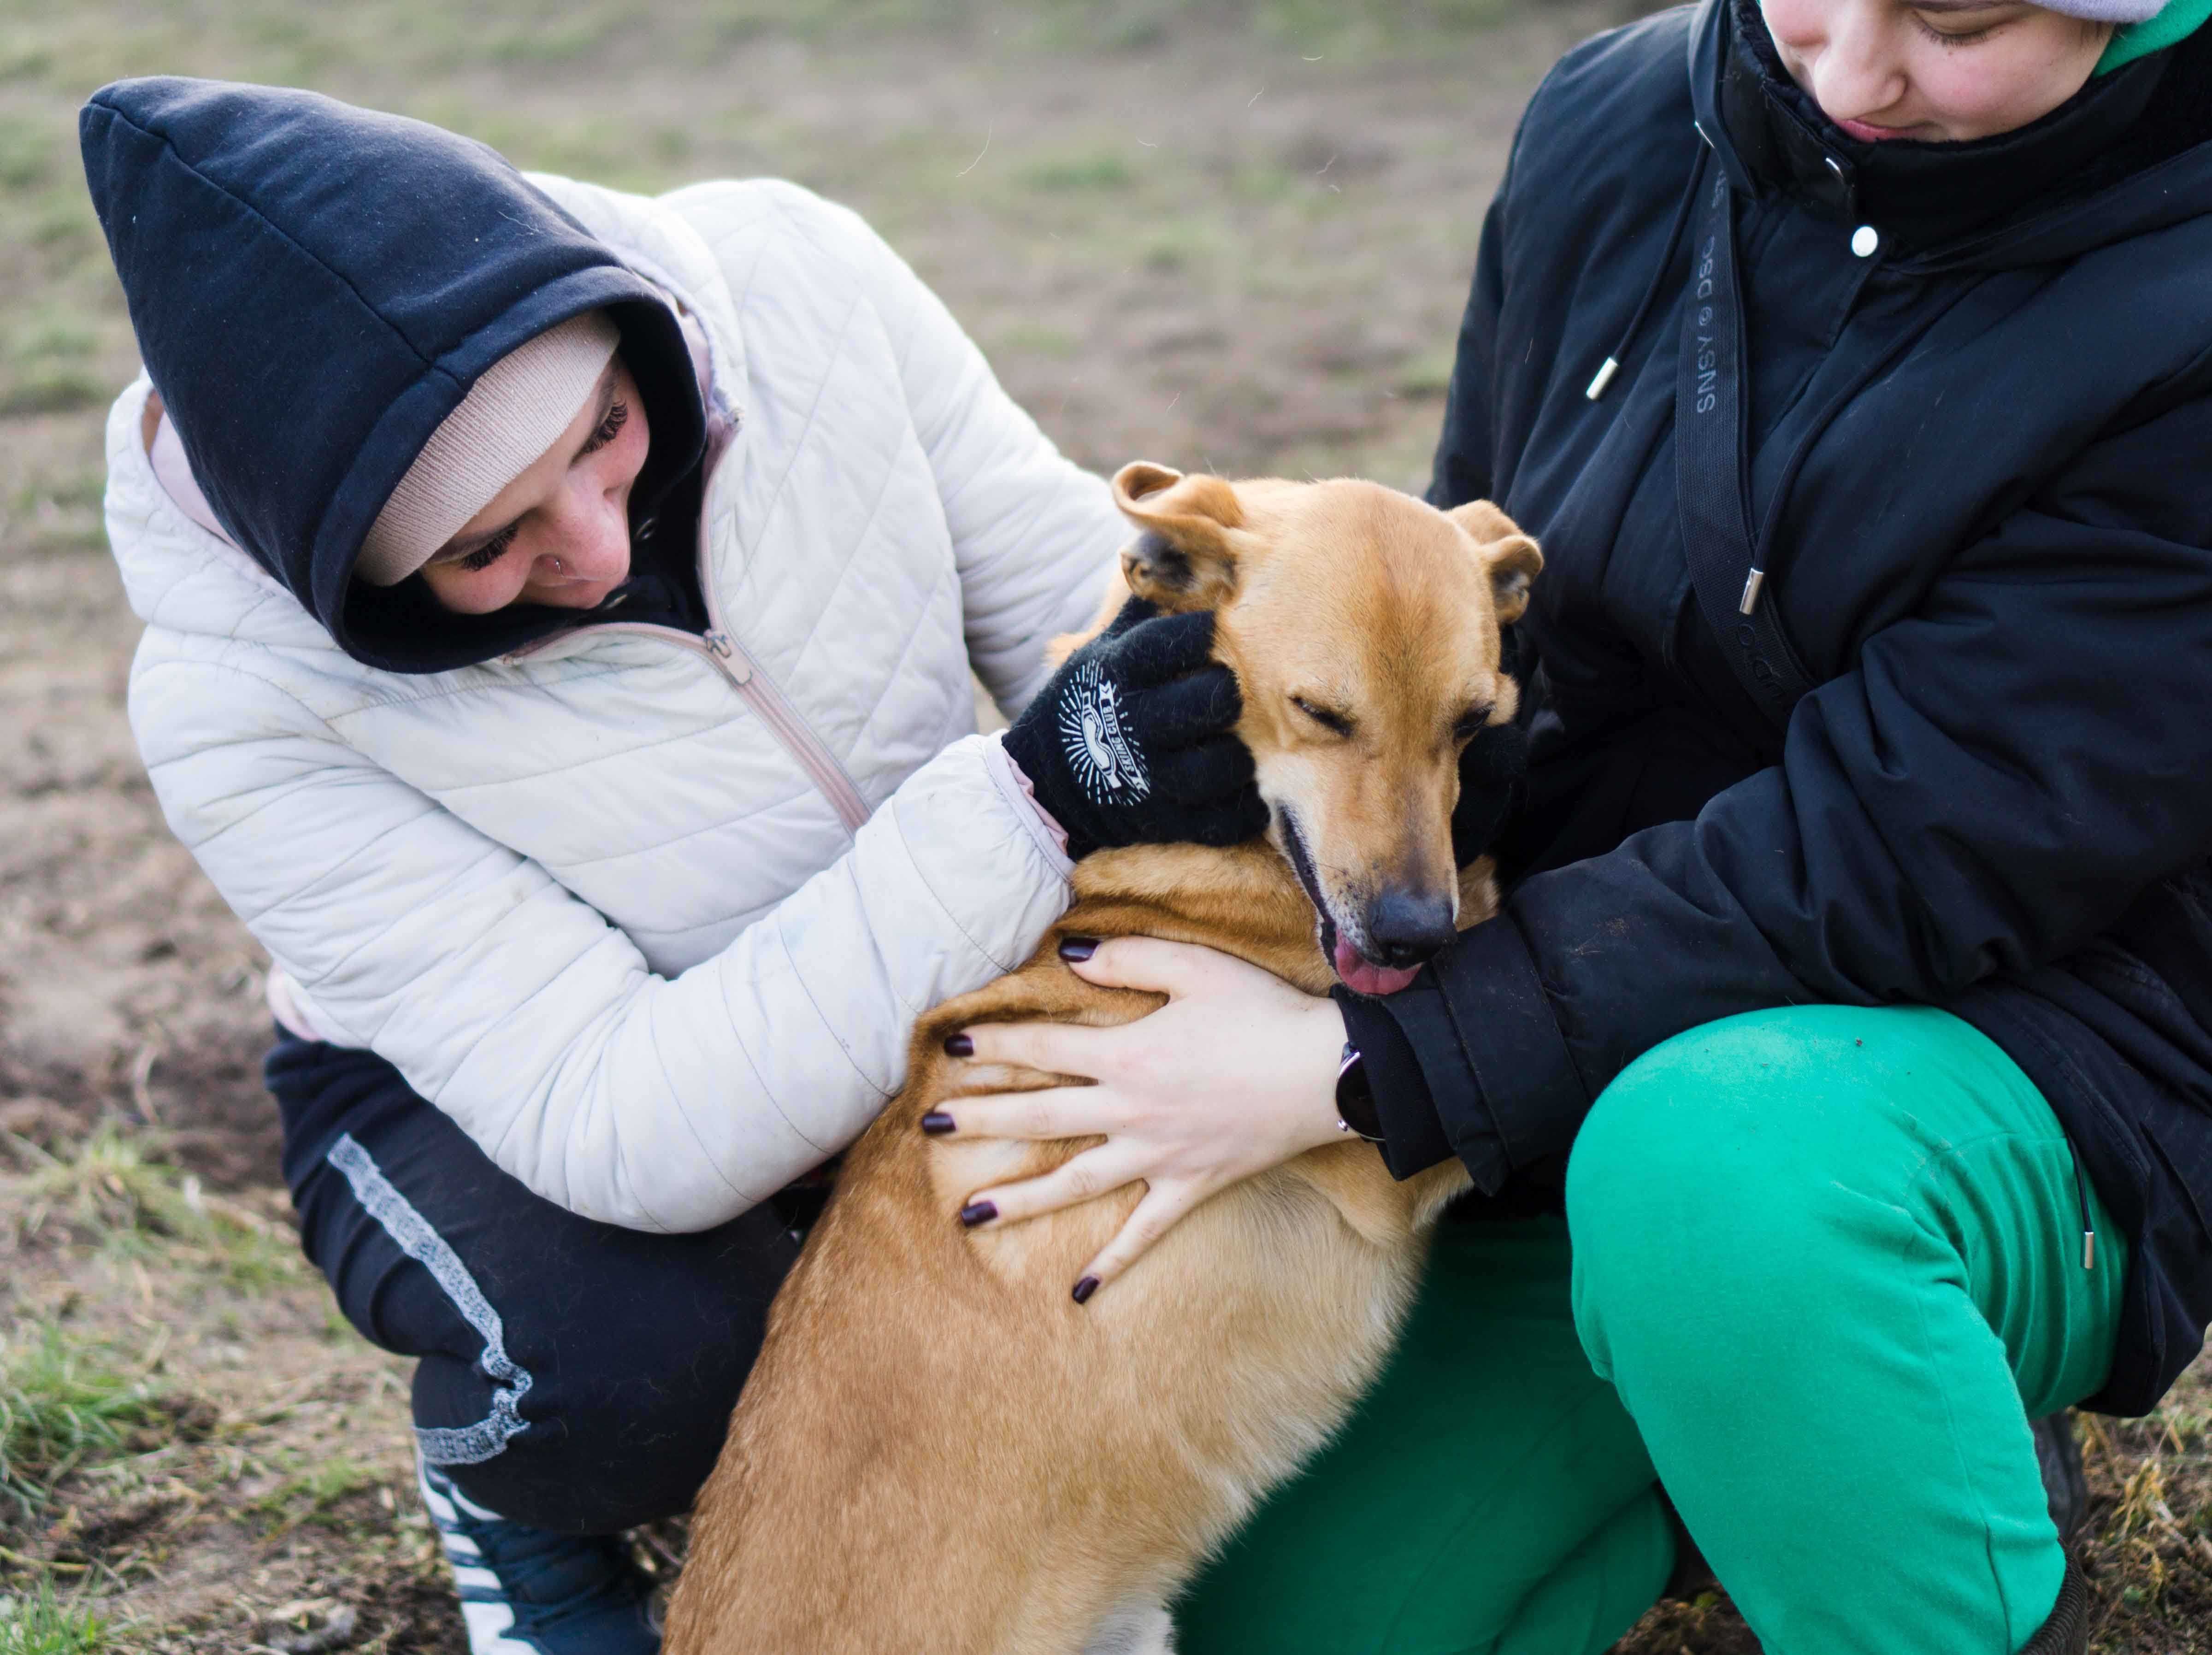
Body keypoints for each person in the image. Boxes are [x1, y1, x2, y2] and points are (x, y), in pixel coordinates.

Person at [924, 0, 2212, 1651]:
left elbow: (1907, 848)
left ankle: (1874, 1396)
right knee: (1276, 1620)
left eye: (1952, 22)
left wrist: (1364, 1073)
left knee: (1724, 1174)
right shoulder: (1611, 119)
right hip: (1622, 1016)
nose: (1853, 71)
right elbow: (1506, 657)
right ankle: (1741, 1419)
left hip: (2057, 1021)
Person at [76, 76, 1368, 1655]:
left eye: (604, 435)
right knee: (637, 1368)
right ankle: (518, 1516)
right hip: (512, 1094)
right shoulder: (234, 706)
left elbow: (1067, 603)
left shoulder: (792, 278)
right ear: (349, 577)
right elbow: (626, 1123)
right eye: (489, 550)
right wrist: (1029, 804)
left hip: (940, 938)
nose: (599, 547)